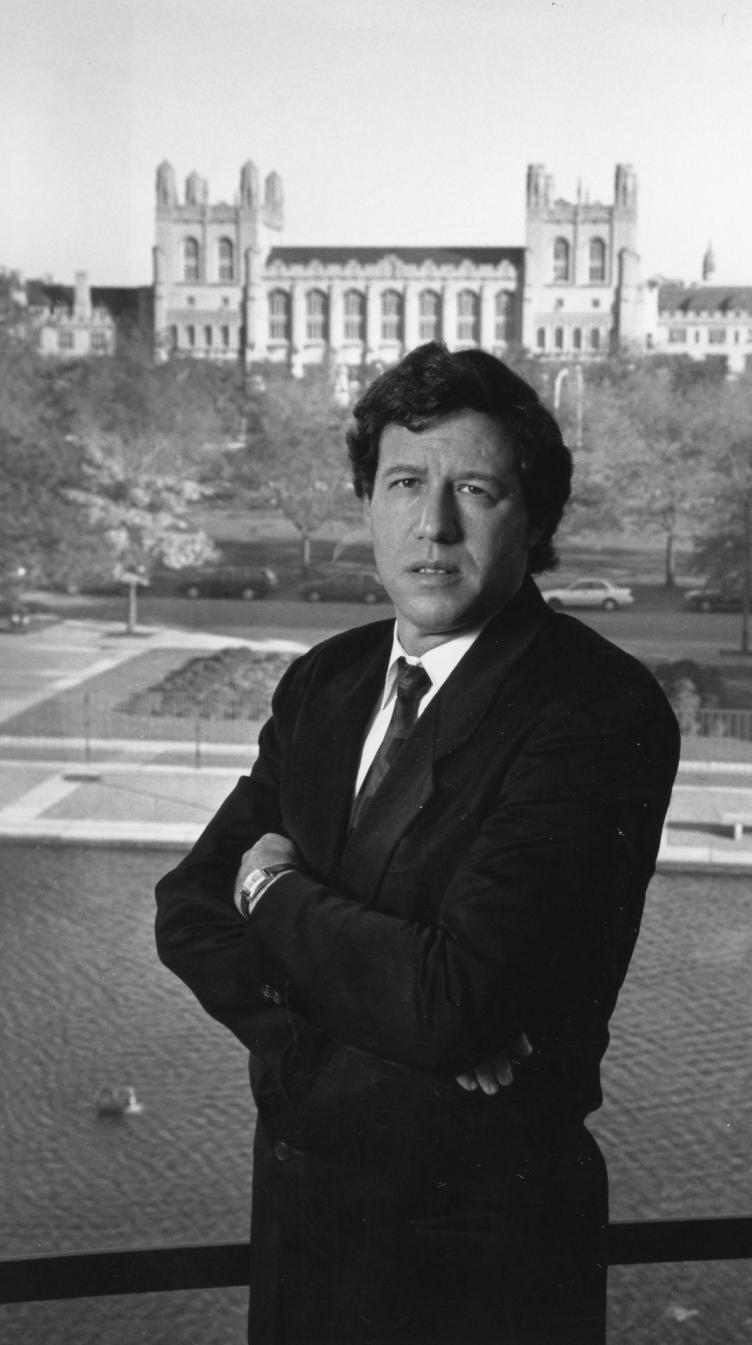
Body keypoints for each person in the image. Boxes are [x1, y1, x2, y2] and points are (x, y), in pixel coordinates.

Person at [155, 342, 680, 1344]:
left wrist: (274, 898)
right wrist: (373, 1033)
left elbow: (452, 1001)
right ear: (367, 503)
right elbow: (185, 906)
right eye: (404, 482)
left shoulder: (594, 709)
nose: (431, 525)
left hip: (481, 1261)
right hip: (302, 1232)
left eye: (474, 489)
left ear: (536, 516)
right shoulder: (326, 679)